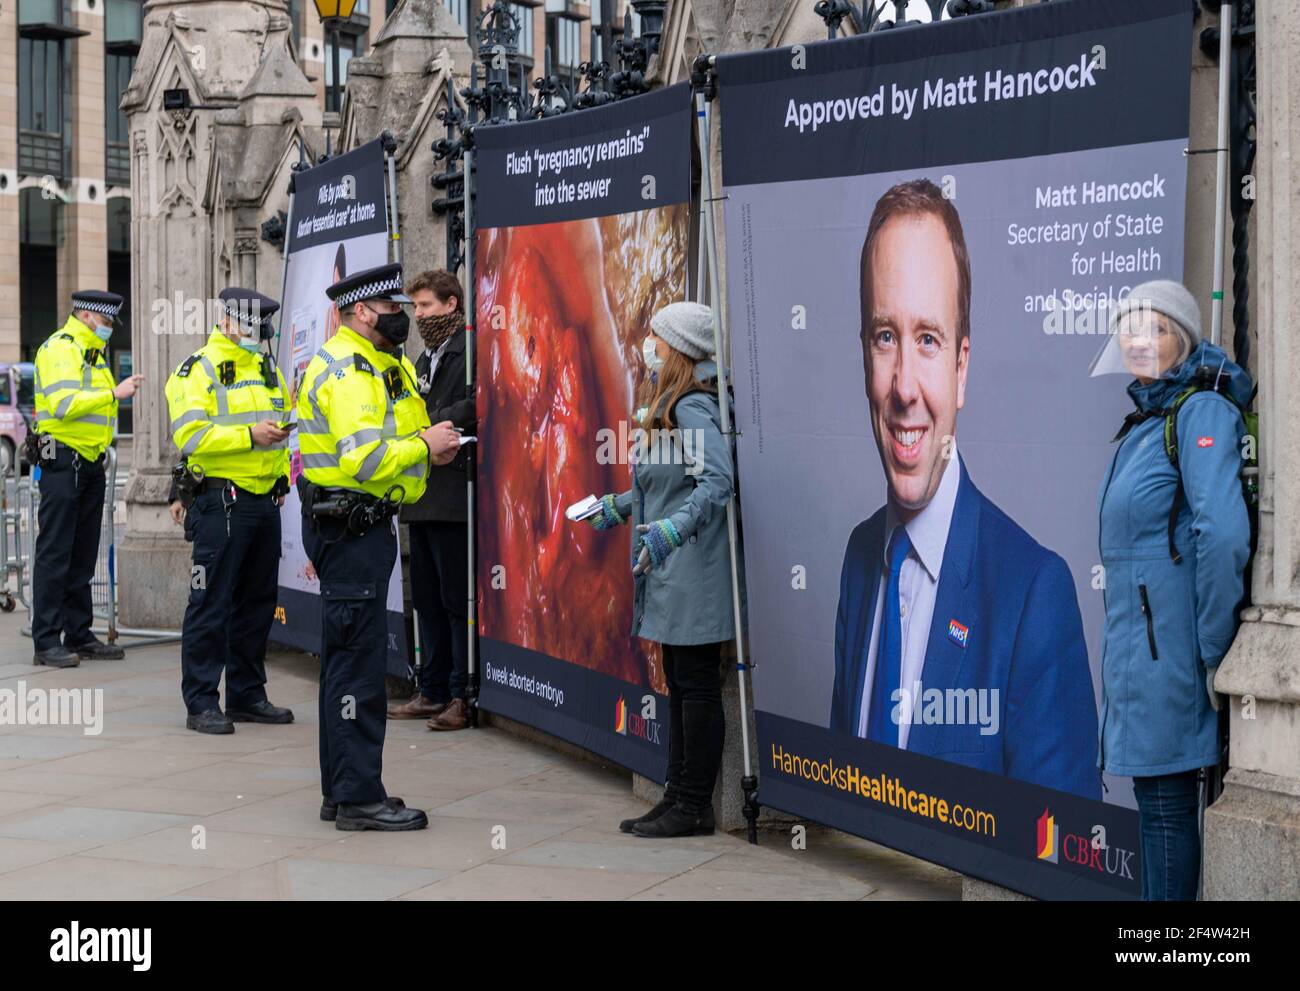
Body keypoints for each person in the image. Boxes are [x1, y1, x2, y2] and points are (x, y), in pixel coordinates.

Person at [830, 178, 1099, 800]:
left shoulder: (1035, 595)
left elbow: (1061, 864)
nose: (903, 387)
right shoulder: (859, 558)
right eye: (885, 337)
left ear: (962, 367)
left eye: (928, 340)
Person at [1100, 279, 1251, 900]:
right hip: (1143, 656)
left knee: (1164, 813)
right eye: (1131, 328)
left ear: (1182, 340)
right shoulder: (1150, 416)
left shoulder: (1198, 410)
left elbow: (1222, 535)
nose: (1140, 340)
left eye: (1156, 328)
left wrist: (1214, 653)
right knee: (1157, 810)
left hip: (1173, 660)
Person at [297, 262, 460, 831]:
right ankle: (359, 798)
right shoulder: (347, 369)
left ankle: (342, 790)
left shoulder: (376, 362)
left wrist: (427, 448)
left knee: (347, 662)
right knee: (357, 669)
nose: (405, 316)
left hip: (358, 526)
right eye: (395, 308)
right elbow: (364, 457)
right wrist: (422, 444)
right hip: (351, 529)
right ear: (363, 311)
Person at [582, 301, 739, 838]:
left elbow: (716, 482)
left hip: (694, 570)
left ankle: (694, 805)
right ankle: (676, 795)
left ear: (676, 347)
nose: (648, 344)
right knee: (680, 680)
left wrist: (675, 528)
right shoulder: (671, 404)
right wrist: (619, 506)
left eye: (656, 337)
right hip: (673, 569)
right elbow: (661, 484)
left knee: (695, 684)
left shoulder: (692, 406)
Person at [164, 288, 296, 735]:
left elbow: (277, 427)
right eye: (260, 328)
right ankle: (201, 700)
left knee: (257, 603)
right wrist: (248, 436)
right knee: (211, 602)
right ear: (231, 323)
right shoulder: (196, 369)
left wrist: (280, 475)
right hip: (220, 500)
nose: (266, 336)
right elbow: (191, 437)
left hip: (262, 501)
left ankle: (246, 694)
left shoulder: (267, 369)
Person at [30, 290, 142, 668]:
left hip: (89, 463)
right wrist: (113, 393)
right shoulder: (61, 348)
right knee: (55, 553)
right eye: (107, 322)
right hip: (62, 460)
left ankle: (78, 632)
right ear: (88, 316)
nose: (109, 329)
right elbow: (63, 406)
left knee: (82, 555)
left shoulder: (91, 352)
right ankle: (46, 640)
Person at [388, 270, 475, 731]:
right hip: (420, 492)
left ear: (450, 305)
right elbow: (406, 414)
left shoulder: (471, 352)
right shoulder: (421, 360)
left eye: (424, 306)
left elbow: (472, 406)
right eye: (414, 307)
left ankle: (460, 694)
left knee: (455, 599)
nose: (417, 315)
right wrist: (422, 431)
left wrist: (426, 426)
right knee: (425, 599)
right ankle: (432, 688)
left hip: (455, 496)